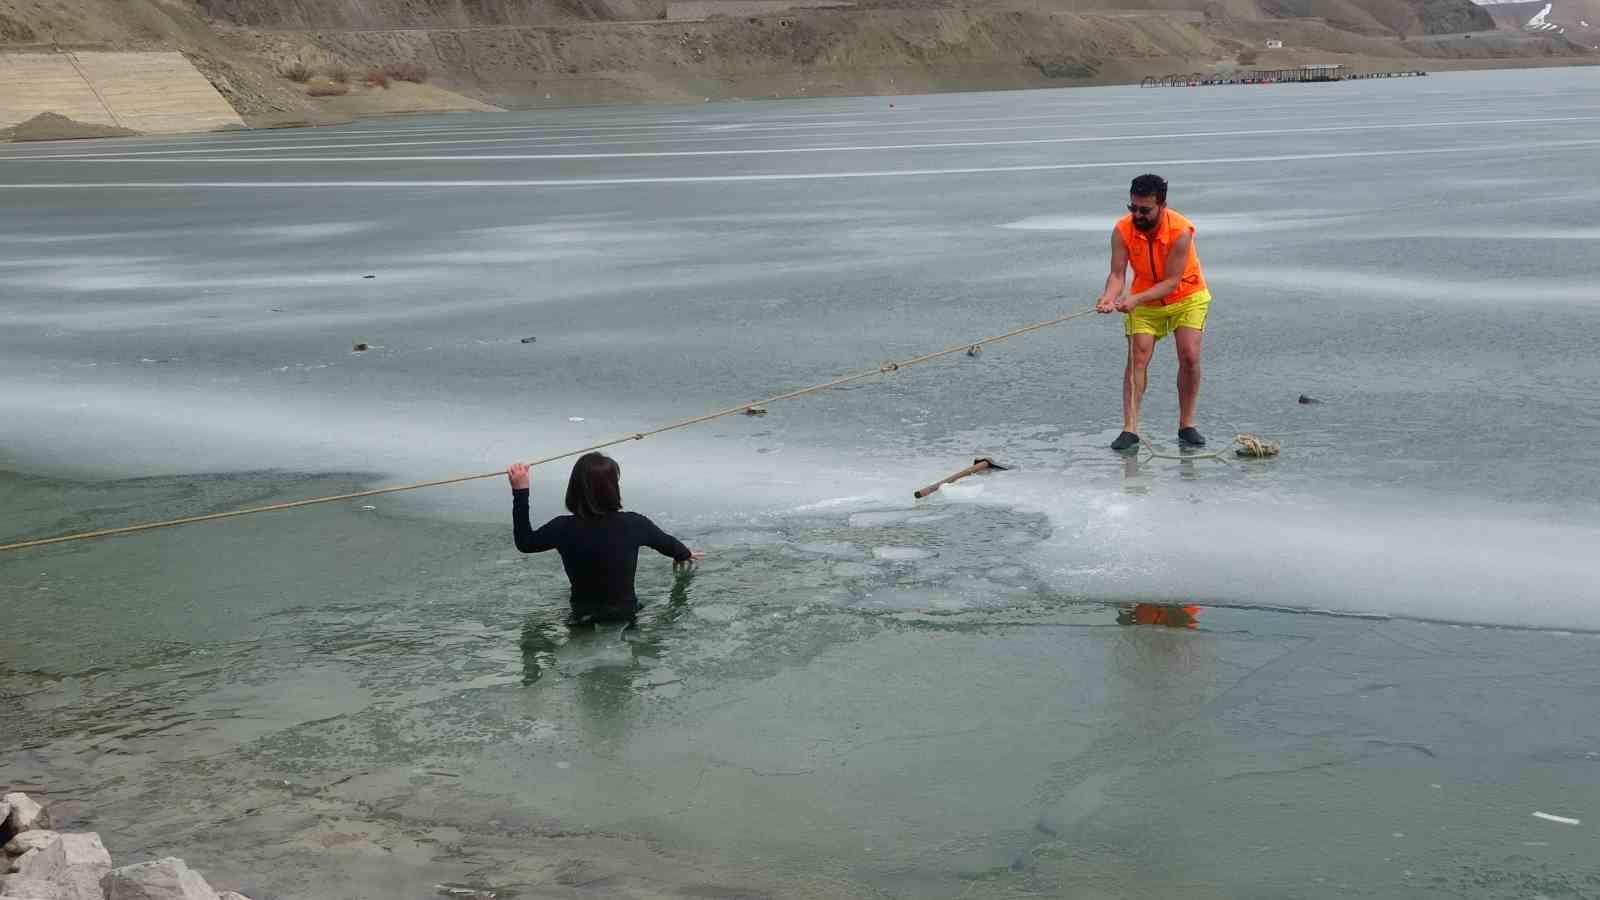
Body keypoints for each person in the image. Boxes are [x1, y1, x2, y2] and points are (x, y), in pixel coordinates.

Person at [507, 452, 703, 625]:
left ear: (573, 489)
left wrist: (520, 491)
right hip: (625, 614)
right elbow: (667, 544)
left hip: (582, 616)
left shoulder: (562, 527)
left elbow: (525, 543)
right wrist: (683, 554)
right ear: (613, 489)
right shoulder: (634, 523)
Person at [1094, 173, 1212, 451]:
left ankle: (1187, 424)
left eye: (1145, 209)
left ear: (1162, 204)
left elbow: (1171, 282)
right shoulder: (1122, 230)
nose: (1137, 214)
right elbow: (1117, 274)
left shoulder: (1180, 231)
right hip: (1145, 301)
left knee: (1189, 355)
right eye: (1132, 207)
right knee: (1138, 356)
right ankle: (1130, 428)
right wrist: (1108, 297)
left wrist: (1134, 299)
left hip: (1187, 296)